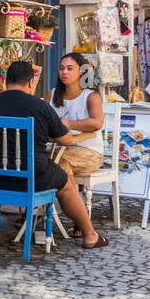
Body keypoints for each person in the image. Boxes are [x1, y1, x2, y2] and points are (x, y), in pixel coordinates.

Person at [0, 60, 107, 249]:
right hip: (33, 178)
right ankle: (90, 234)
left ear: (6, 81)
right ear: (31, 82)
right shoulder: (40, 106)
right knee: (65, 183)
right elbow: (66, 140)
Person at [45, 53, 106, 213]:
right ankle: (35, 211)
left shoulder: (91, 96)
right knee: (42, 159)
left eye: (70, 68)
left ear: (81, 71)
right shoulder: (52, 95)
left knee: (58, 161)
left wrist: (67, 123)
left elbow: (97, 123)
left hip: (89, 152)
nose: (64, 72)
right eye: (61, 68)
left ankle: (78, 214)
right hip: (57, 149)